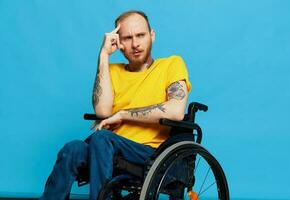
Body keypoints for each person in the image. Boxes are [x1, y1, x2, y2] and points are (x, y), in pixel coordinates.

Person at [39, 10, 191, 200]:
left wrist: (122, 114)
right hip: (105, 148)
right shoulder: (111, 71)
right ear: (118, 43)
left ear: (152, 35)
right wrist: (103, 56)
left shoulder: (171, 64)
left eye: (140, 35)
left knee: (102, 138)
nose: (135, 44)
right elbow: (102, 111)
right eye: (127, 38)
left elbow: (176, 111)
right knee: (72, 149)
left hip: (149, 153)